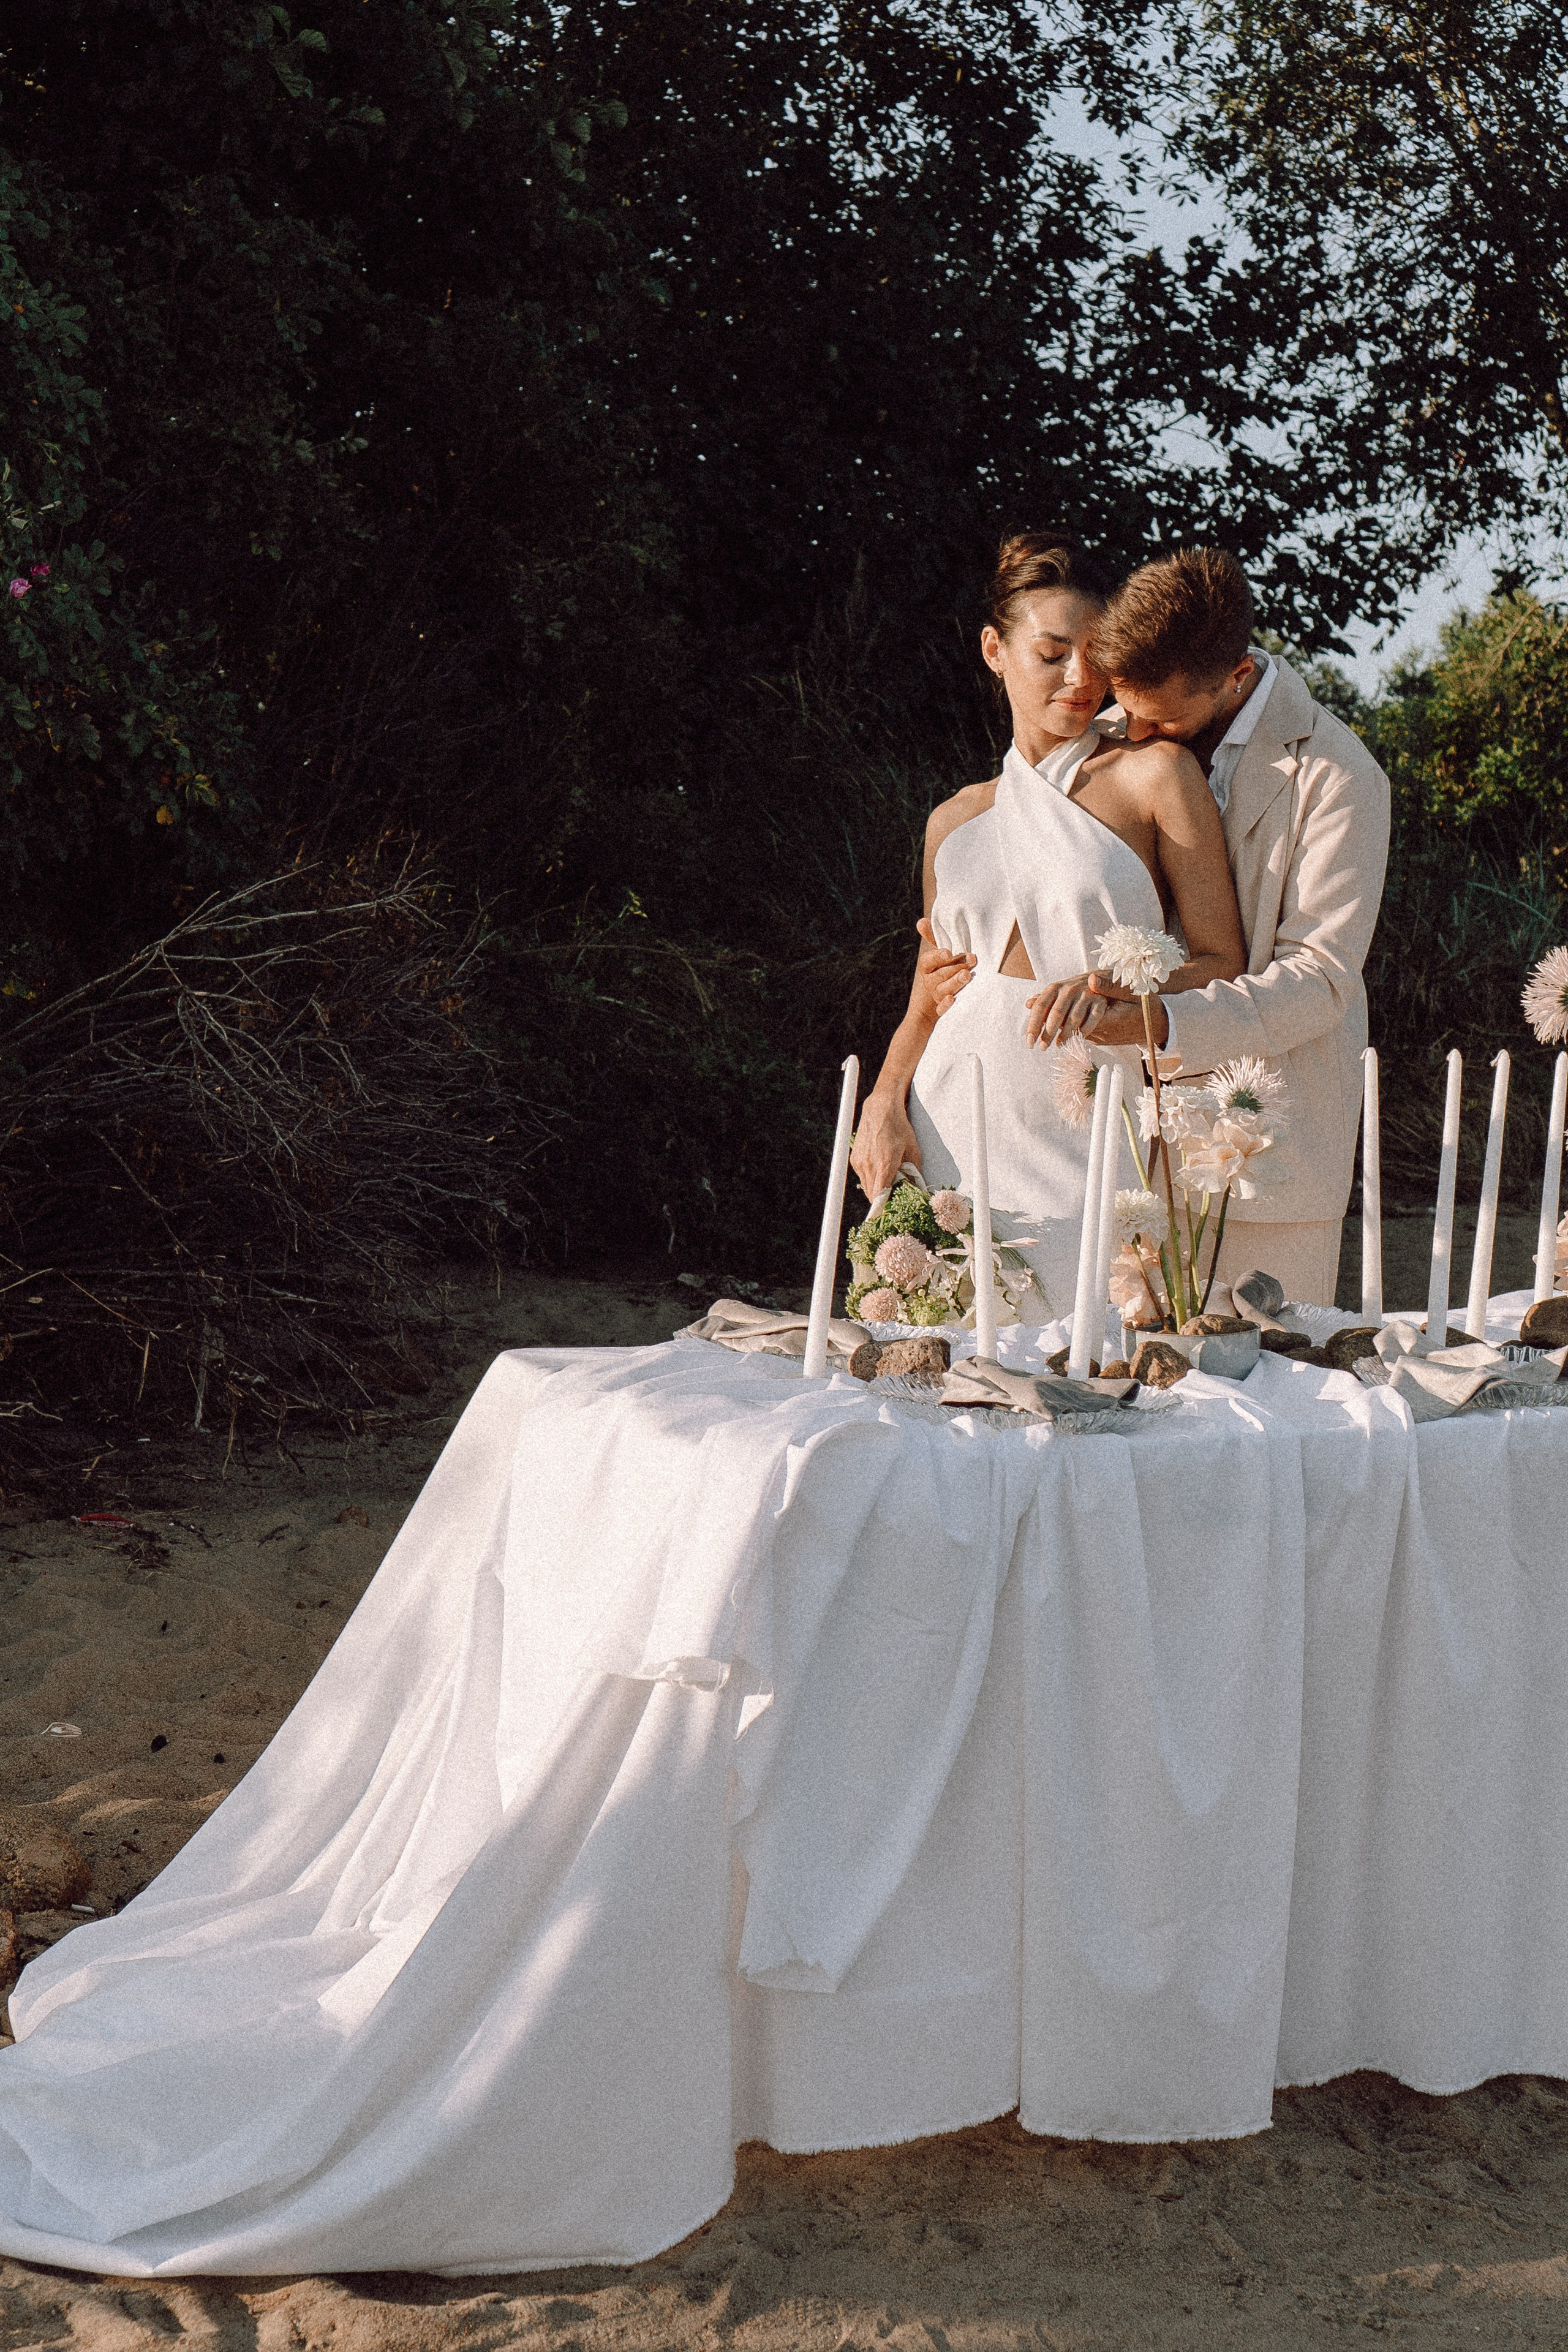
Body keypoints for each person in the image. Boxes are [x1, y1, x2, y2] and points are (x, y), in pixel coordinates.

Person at [850, 532, 1247, 1314]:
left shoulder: (1154, 776)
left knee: (1093, 1367)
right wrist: (883, 1099)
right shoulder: (952, 821)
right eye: (1052, 652)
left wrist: (1117, 998)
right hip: (950, 1120)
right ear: (995, 650)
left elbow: (1221, 961)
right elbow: (931, 994)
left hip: (1088, 1121)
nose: (1079, 679)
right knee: (935, 1367)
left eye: (1095, 656)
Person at [1017, 547, 1391, 1308]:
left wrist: (1159, 1024)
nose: (1136, 730)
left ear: (1238, 678)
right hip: (1114, 1155)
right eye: (1128, 708)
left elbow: (1318, 979)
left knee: (1266, 1399)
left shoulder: (1341, 778)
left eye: (1162, 716)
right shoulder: (1115, 727)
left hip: (1265, 1159)